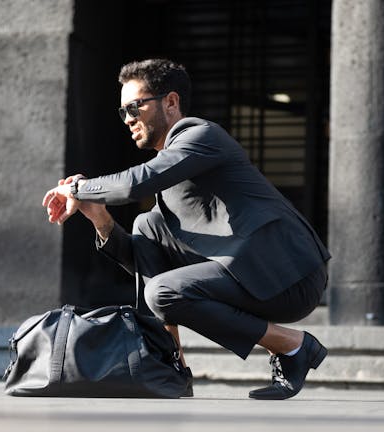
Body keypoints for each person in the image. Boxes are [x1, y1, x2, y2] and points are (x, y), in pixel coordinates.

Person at [42, 58, 331, 400]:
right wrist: (98, 215)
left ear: (171, 102)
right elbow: (142, 264)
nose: (129, 119)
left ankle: (293, 345)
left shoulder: (201, 136)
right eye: (122, 112)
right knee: (147, 225)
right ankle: (170, 365)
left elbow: (137, 182)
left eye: (135, 106)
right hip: (252, 274)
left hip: (289, 273)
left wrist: (77, 189)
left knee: (164, 291)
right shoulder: (174, 173)